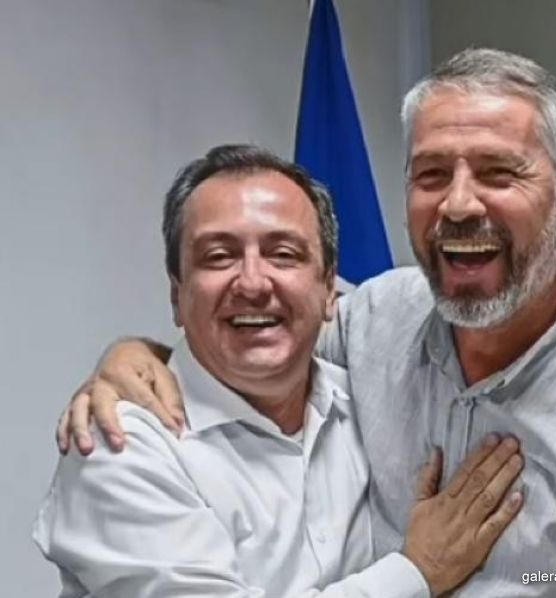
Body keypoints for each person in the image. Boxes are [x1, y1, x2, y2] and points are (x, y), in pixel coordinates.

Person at [59, 49, 556, 596]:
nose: (458, 203)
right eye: (431, 174)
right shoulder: (378, 318)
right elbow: (260, 326)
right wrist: (134, 356)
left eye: (498, 173)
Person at [36, 144, 525, 598]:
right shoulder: (120, 445)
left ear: (329, 290)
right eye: (219, 256)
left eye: (283, 254)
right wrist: (417, 571)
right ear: (176, 295)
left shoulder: (373, 402)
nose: (252, 283)